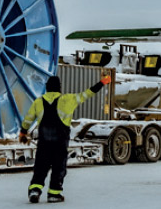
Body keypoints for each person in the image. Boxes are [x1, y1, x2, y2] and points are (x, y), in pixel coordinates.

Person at [19, 74, 111, 203]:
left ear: (47, 88)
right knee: (59, 167)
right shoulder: (68, 99)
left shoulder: (38, 101)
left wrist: (23, 132)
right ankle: (54, 194)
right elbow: (88, 93)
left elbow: (28, 119)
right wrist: (102, 82)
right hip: (60, 142)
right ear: (59, 88)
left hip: (44, 141)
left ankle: (35, 190)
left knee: (41, 166)